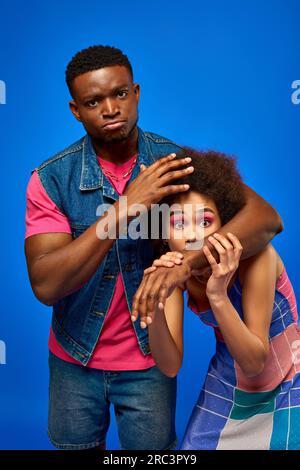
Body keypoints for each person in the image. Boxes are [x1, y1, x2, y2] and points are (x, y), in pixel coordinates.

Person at [24, 45, 282, 451]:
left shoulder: (173, 162)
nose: (111, 109)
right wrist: (125, 209)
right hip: (75, 359)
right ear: (76, 110)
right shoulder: (52, 179)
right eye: (94, 101)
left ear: (136, 92)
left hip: (150, 364)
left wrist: (187, 266)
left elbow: (267, 219)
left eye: (120, 94)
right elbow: (46, 285)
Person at [142, 148, 299, 450]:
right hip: (230, 380)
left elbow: (255, 360)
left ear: (224, 224)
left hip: (289, 378)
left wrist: (217, 294)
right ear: (163, 234)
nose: (192, 235)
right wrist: (156, 307)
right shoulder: (176, 274)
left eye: (205, 222)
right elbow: (171, 365)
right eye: (178, 223)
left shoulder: (258, 257)